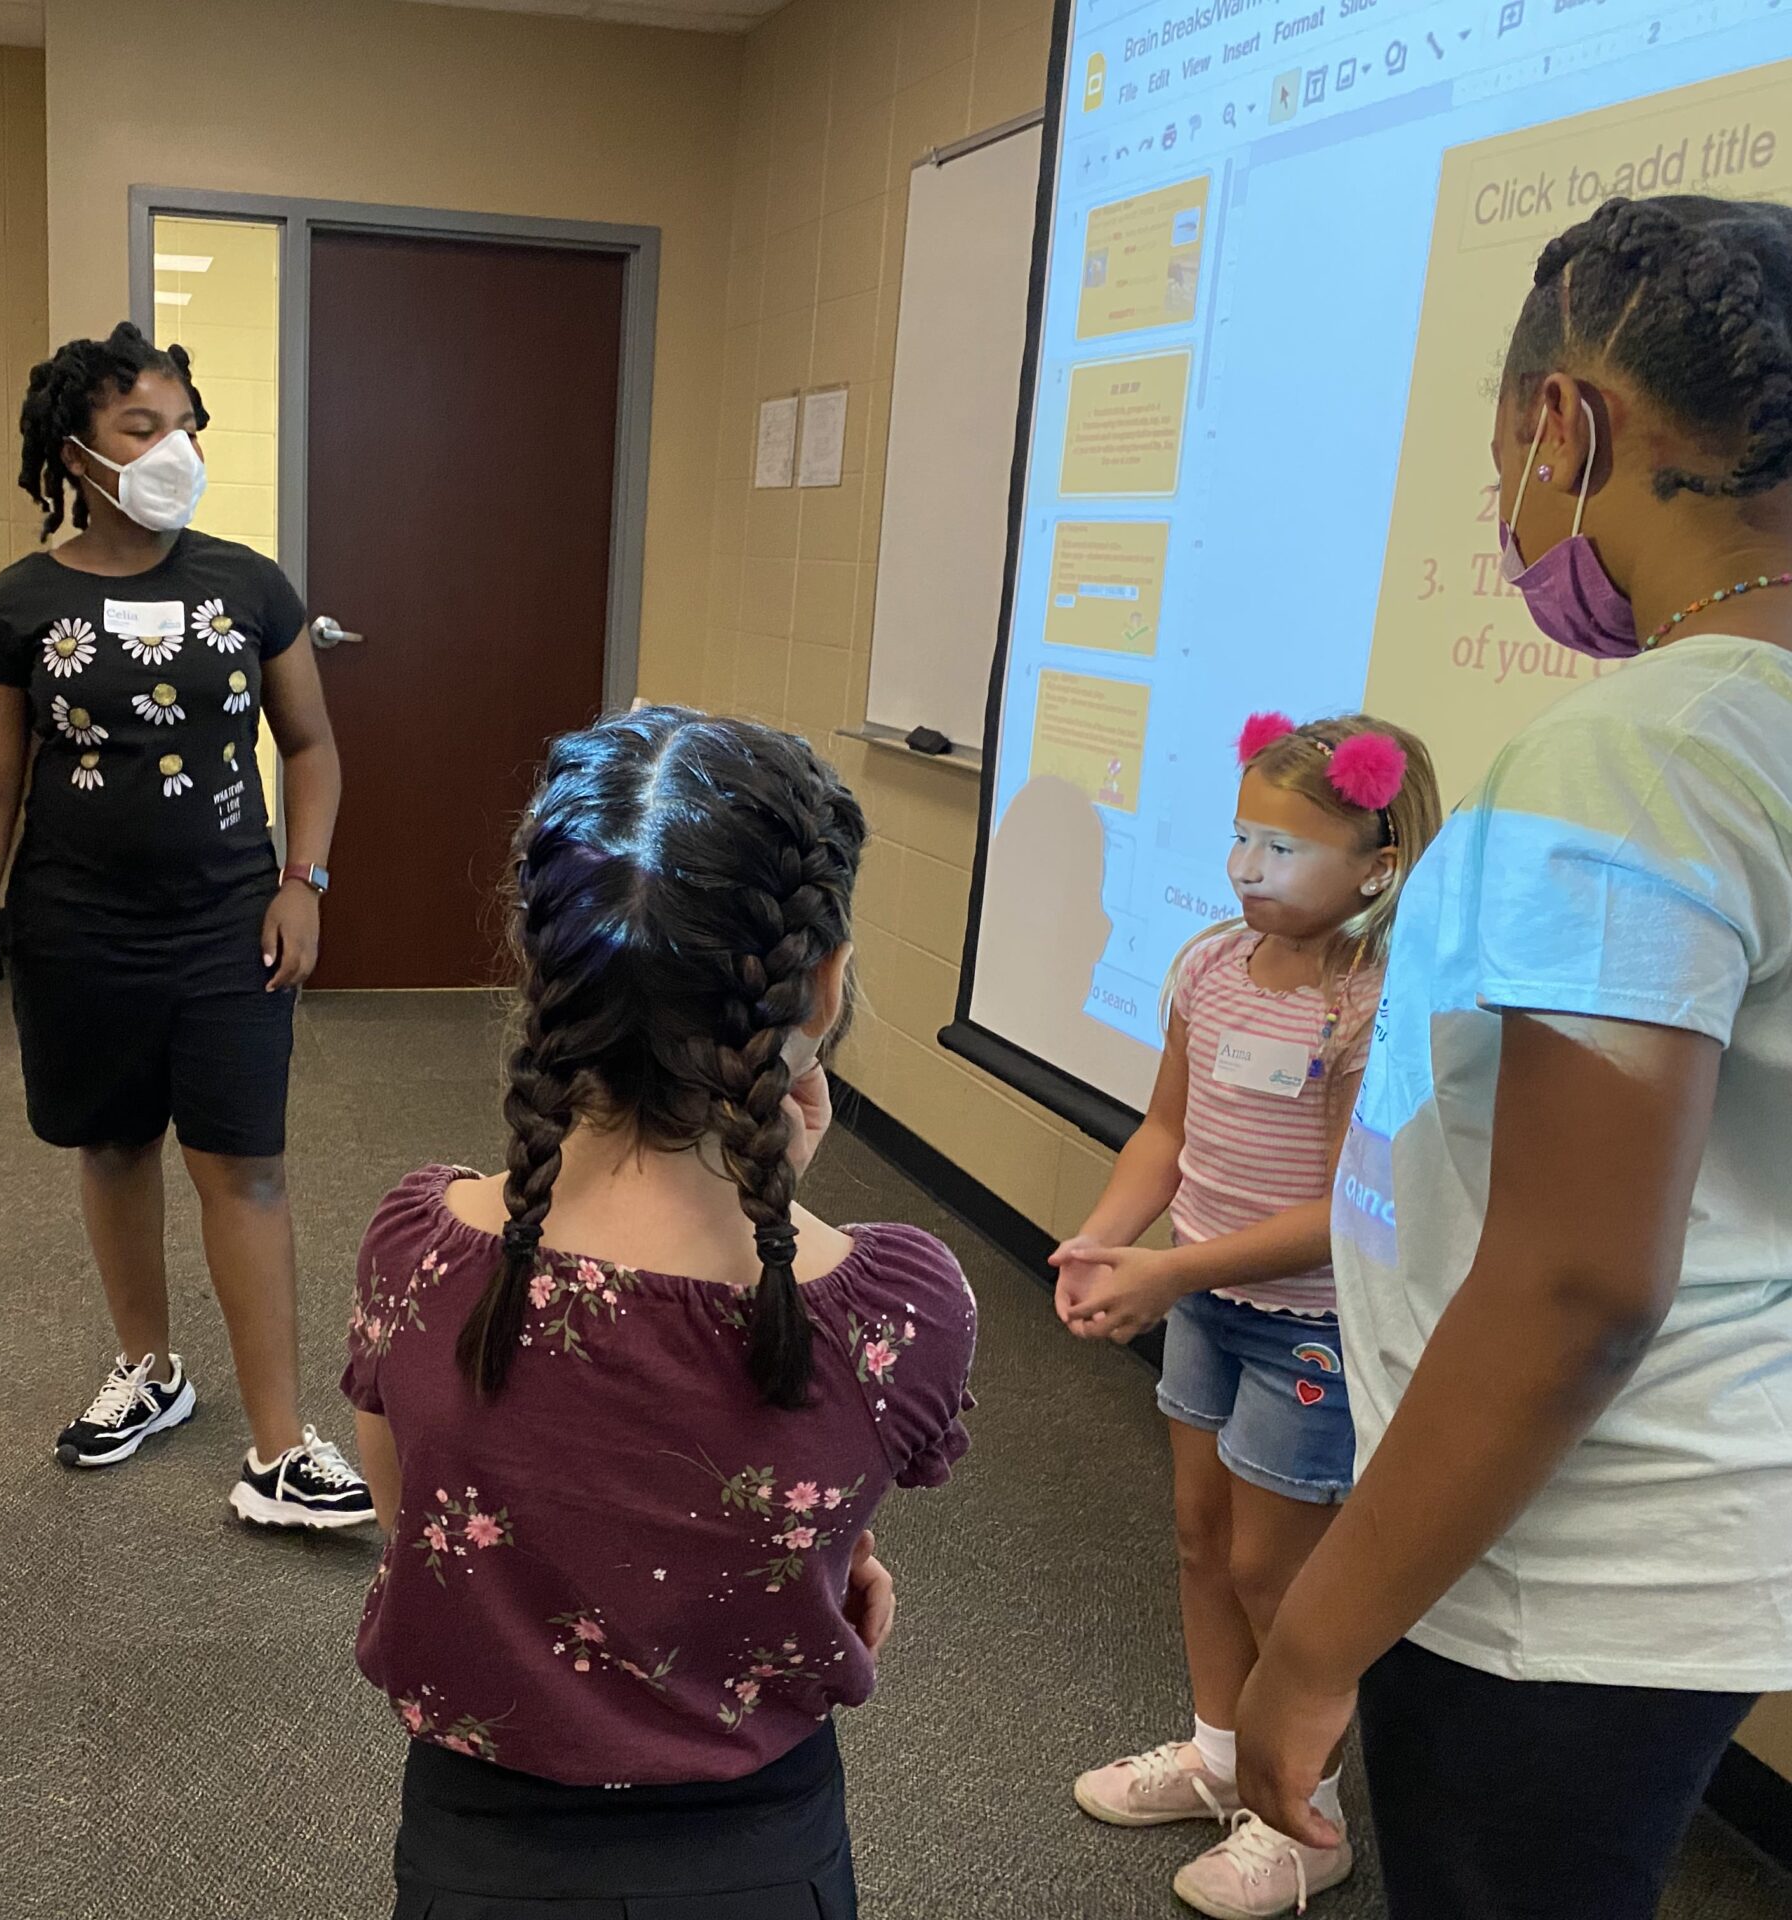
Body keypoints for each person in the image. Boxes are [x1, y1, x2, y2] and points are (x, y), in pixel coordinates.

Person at [1237, 195, 1792, 1920]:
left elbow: (1572, 1284)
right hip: (1712, 1517)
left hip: (1556, 1564)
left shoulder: (1639, 753)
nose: (1512, 515)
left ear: (1569, 423)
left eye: (1503, 467)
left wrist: (1312, 1645)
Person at [342, 708, 976, 1918]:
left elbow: (407, 1507)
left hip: (481, 1855)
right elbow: (817, 1499)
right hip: (760, 1856)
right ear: (824, 980)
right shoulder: (896, 1307)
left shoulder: (422, 1251)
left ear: (539, 969)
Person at [0, 324, 373, 1529]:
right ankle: (152, 1369)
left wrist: (308, 881)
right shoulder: (22, 602)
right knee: (116, 1146)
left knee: (247, 1166)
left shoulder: (247, 583)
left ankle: (280, 1445)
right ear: (77, 454)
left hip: (230, 926)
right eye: (144, 427)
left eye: (186, 425)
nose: (173, 448)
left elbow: (313, 746)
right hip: (76, 931)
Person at [1054, 711, 1439, 1918]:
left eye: (1283, 851)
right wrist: (1111, 1236)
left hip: (1308, 1326)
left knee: (1278, 1571)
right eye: (1239, 841)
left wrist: (1168, 1270)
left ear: (1376, 864)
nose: (1244, 871)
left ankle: (1300, 1815)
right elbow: (1166, 1133)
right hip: (1209, 1303)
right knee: (1200, 1539)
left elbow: (1344, 1212)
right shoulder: (1211, 966)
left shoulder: (1368, 1004)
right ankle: (1222, 1761)